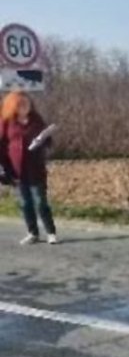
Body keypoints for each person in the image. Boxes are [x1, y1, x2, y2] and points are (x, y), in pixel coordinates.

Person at [0, 91, 58, 245]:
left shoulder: (37, 120)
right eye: (21, 104)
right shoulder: (7, 122)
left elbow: (48, 140)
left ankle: (51, 232)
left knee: (40, 201)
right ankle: (32, 233)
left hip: (35, 168)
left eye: (27, 103)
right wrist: (3, 167)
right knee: (25, 203)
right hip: (16, 169)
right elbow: (1, 144)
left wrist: (43, 141)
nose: (25, 107)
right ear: (13, 106)